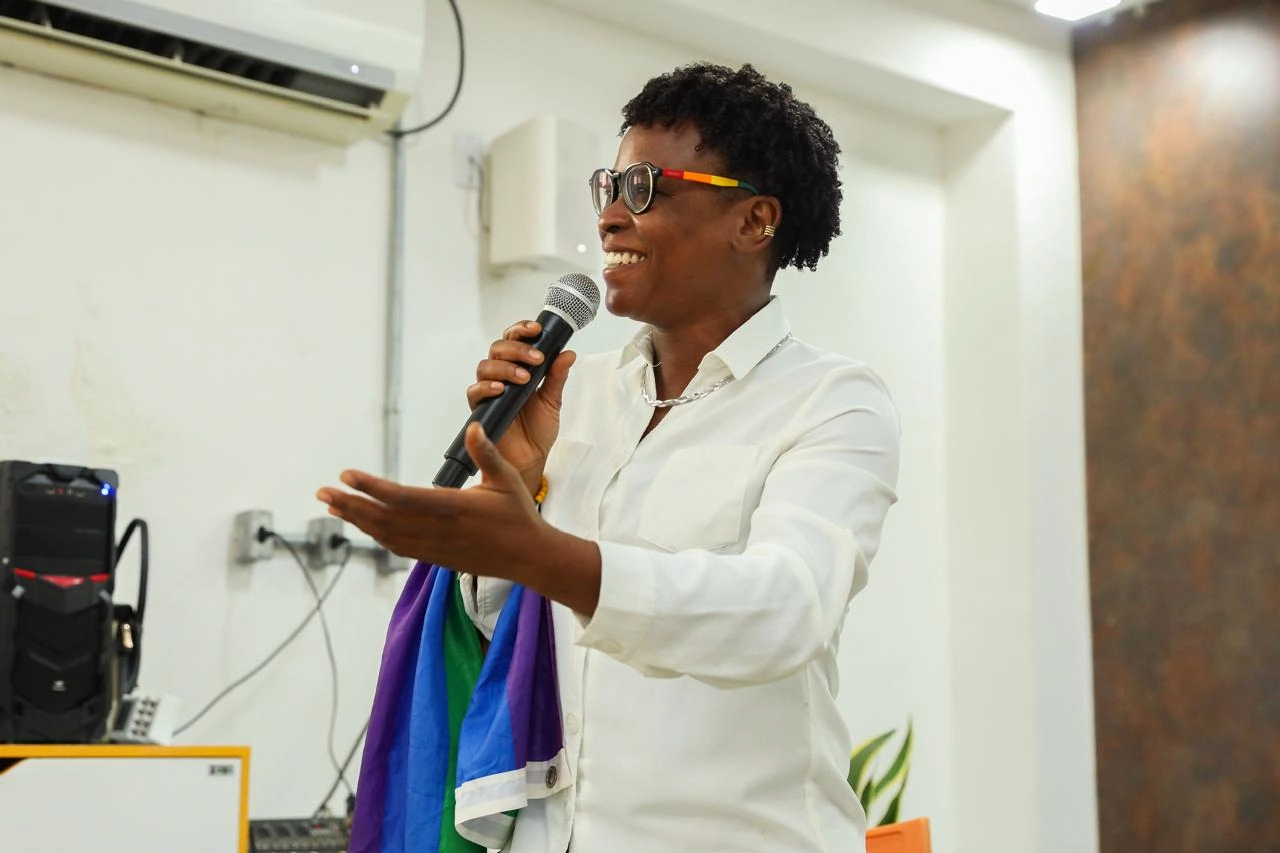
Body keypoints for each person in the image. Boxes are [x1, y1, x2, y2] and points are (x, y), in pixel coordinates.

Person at [318, 62, 901, 853]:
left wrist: (545, 552)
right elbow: (523, 638)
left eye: (644, 187)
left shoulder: (831, 399)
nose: (611, 218)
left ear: (755, 220)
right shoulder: (576, 392)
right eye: (610, 186)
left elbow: (783, 611)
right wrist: (514, 499)